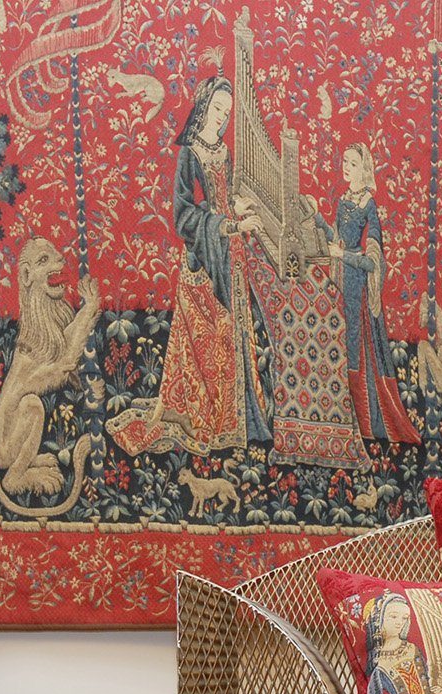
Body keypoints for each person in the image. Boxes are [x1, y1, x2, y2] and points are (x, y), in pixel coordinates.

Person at [112, 77, 272, 459]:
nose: (221, 118)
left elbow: (223, 197)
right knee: (208, 344)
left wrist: (240, 207)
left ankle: (243, 421)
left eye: (227, 113)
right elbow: (184, 217)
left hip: (231, 257)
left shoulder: (223, 151)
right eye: (217, 109)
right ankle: (211, 422)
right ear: (202, 107)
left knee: (234, 337)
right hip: (204, 263)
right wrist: (229, 225)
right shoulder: (189, 153)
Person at [316, 144, 419, 444]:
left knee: (356, 350)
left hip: (357, 288)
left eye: (353, 163)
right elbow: (336, 240)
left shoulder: (368, 205)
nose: (346, 167)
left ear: (365, 169)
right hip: (339, 283)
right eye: (345, 162)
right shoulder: (343, 200)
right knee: (337, 345)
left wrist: (343, 256)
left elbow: (373, 261)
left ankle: (365, 423)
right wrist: (317, 218)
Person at [363, 592, 429, 694]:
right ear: (380, 618)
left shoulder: (412, 649)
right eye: (393, 616)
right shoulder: (379, 665)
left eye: (404, 618)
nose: (399, 622)